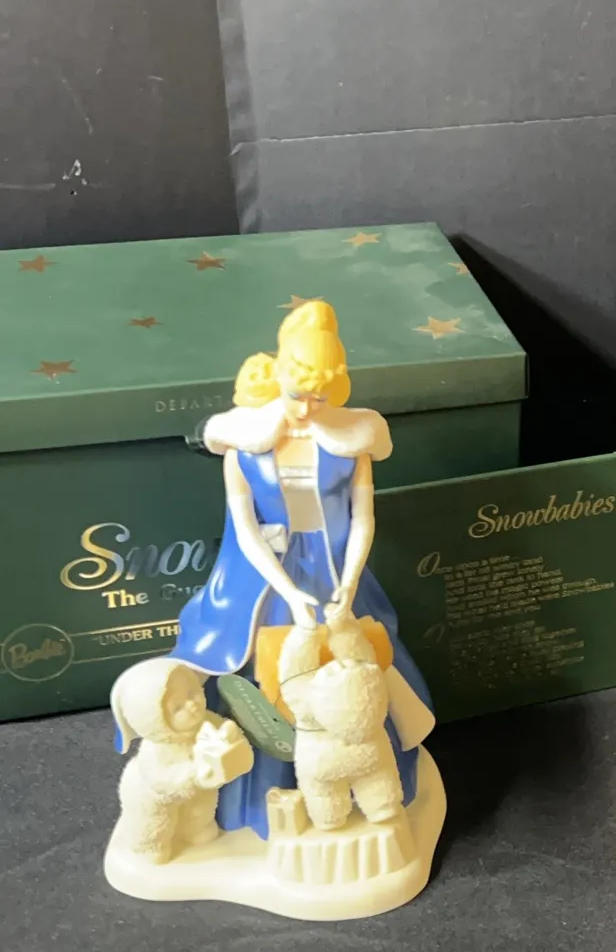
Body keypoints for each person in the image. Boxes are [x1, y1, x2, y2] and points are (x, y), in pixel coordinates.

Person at [172, 301, 434, 836]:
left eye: (320, 396)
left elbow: (363, 518)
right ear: (280, 380)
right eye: (298, 395)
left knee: (358, 661)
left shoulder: (350, 442)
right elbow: (245, 529)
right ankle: (274, 797)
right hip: (268, 576)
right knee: (272, 673)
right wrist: (289, 593)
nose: (308, 408)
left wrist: (350, 582)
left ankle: (373, 787)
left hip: (335, 570)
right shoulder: (245, 445)